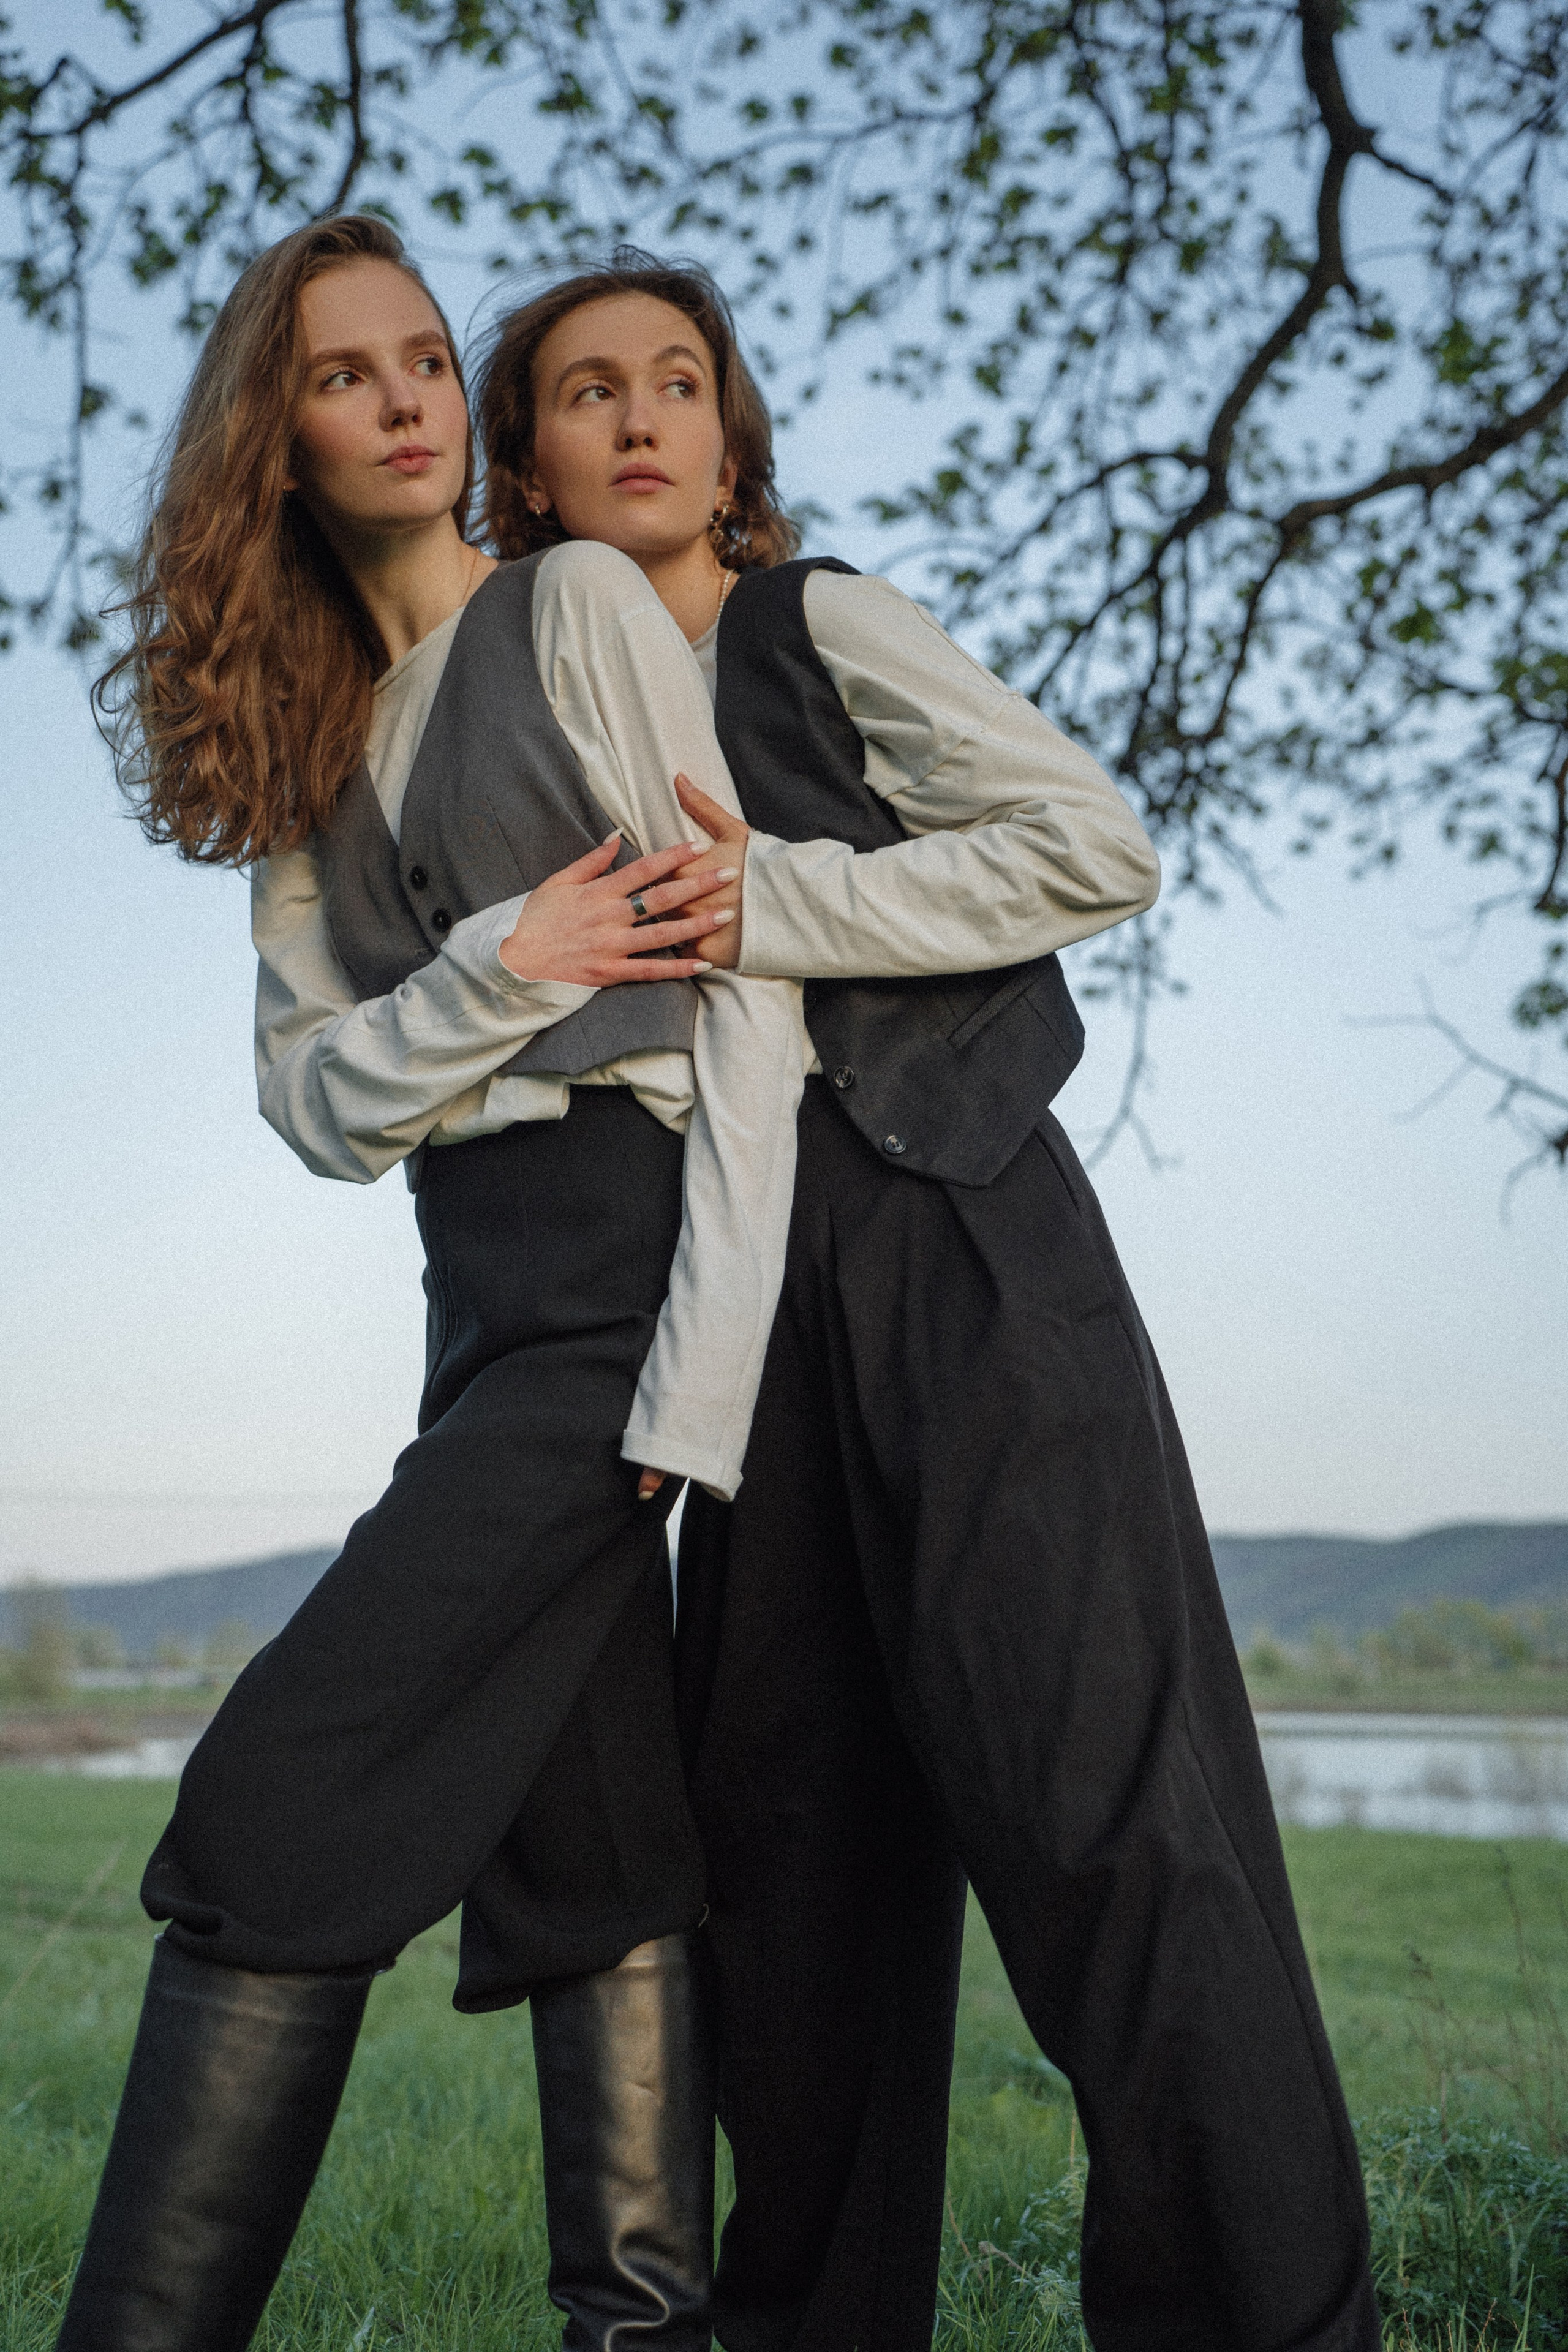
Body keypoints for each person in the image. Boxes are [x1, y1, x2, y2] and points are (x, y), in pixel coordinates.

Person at [478, 251, 1382, 2352]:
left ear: (727, 440)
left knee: (1119, 1841)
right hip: (736, 1346)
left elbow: (1091, 841)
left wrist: (774, 896)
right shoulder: (535, 720)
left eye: (676, 383)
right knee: (793, 1909)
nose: (635, 416)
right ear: (524, 463)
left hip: (966, 1249)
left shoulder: (818, 621)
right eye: (588, 389)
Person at [59, 215, 809, 2351]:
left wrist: (701, 1391)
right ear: (273, 440)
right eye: (341, 374)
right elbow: (316, 1107)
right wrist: (509, 959)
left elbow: (741, 997)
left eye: (419, 361)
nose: (401, 398)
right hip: (473, 1312)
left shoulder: (572, 604)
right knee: (594, 1844)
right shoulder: (308, 764)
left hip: (623, 1278)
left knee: (280, 1794)